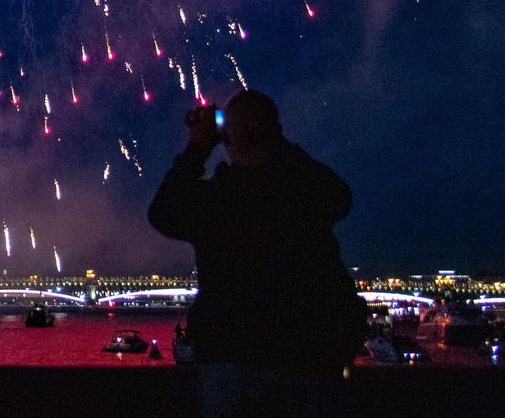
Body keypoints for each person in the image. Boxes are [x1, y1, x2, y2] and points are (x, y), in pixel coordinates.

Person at [147, 90, 366, 417]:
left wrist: (198, 147)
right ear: (275, 133)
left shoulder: (216, 202)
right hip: (308, 357)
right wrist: (273, 138)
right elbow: (340, 195)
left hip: (232, 361)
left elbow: (162, 212)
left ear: (227, 139)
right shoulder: (304, 197)